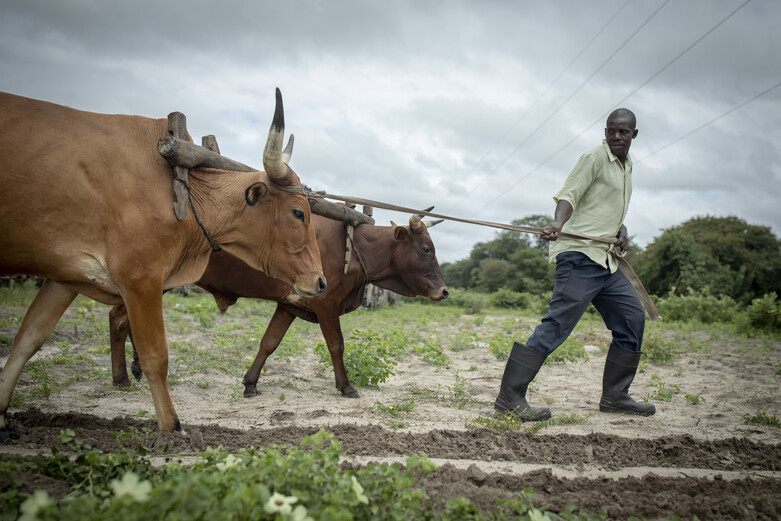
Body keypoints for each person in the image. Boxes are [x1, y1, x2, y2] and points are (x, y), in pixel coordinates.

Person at [494, 108, 655, 422]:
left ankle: (616, 396)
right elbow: (570, 195)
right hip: (580, 257)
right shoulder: (594, 158)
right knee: (557, 326)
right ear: (605, 132)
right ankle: (510, 397)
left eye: (623, 132)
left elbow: (605, 208)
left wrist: (620, 230)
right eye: (611, 131)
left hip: (606, 261)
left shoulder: (627, 166)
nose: (616, 137)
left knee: (632, 317)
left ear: (634, 135)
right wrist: (557, 222)